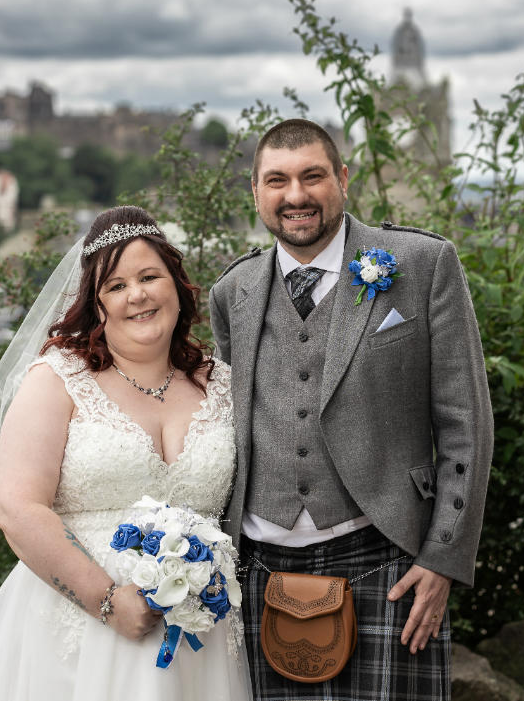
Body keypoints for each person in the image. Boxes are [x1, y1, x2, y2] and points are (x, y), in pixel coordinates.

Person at [209, 119, 493, 701]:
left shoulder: (422, 264)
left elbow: (466, 425)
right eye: (277, 180)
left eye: (313, 176)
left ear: (342, 178)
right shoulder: (230, 292)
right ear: (256, 193)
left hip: (388, 561)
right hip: (259, 573)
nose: (296, 196)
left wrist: (443, 558)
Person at [0, 206, 251, 701]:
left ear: (177, 284)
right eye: (116, 286)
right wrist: (108, 601)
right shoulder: (58, 380)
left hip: (201, 644)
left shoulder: (223, 383)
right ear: (97, 303)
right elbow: (17, 508)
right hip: (78, 636)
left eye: (150, 276)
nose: (137, 295)